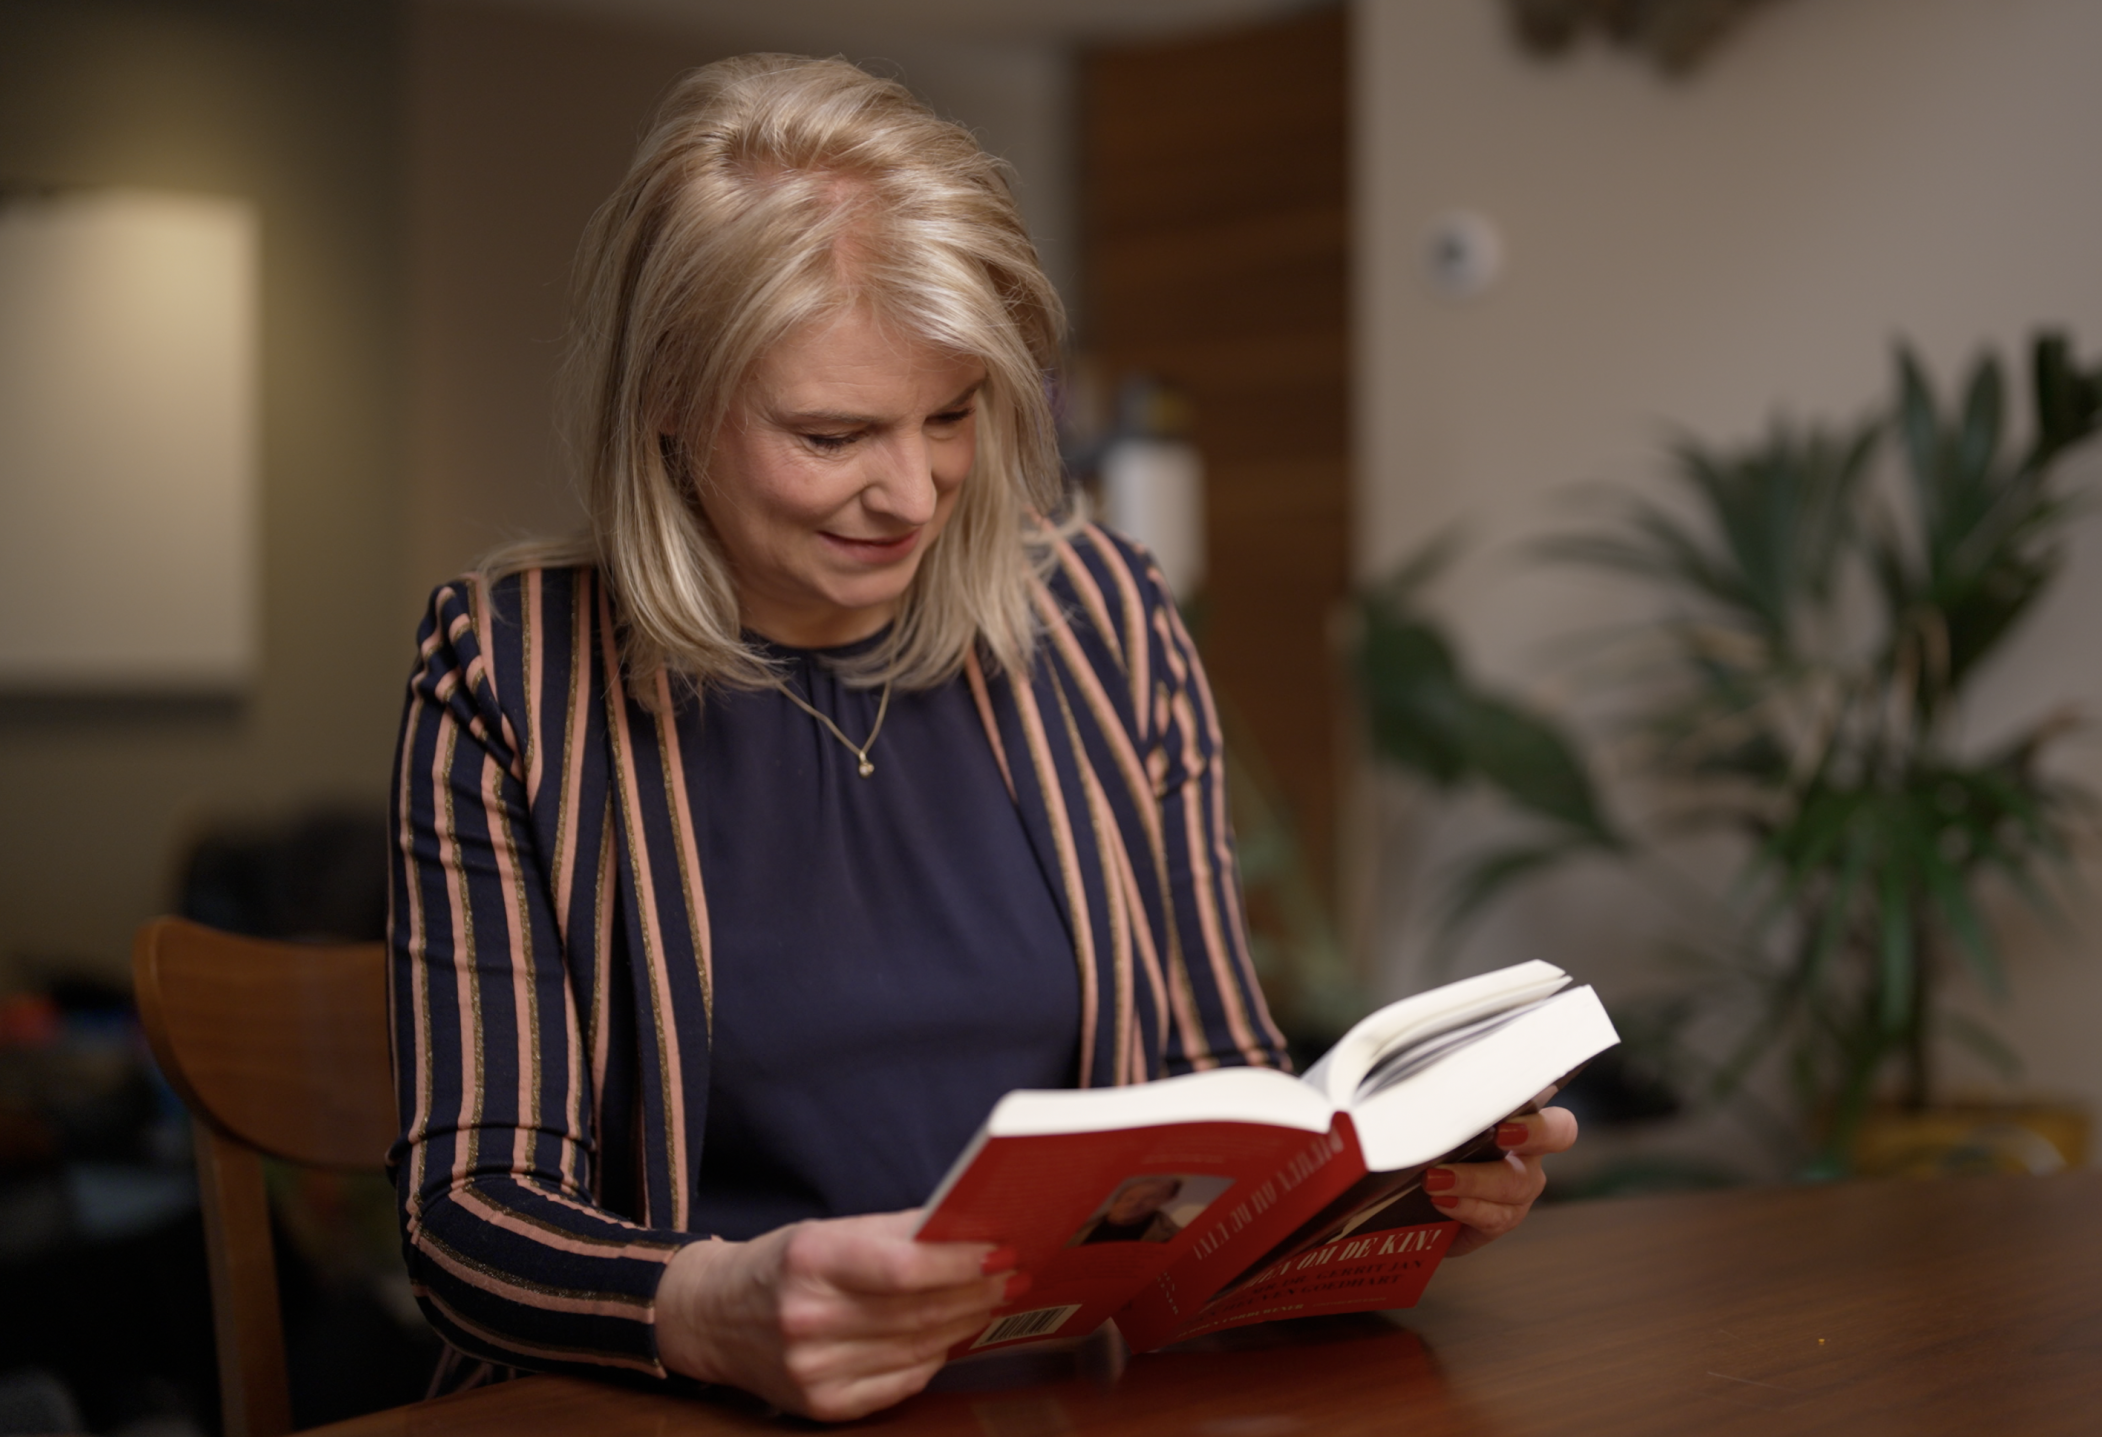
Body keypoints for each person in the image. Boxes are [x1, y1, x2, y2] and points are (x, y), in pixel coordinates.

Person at [386, 53, 1577, 1423]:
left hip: (1068, 1401)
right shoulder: (514, 671)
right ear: (664, 397)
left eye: (951, 415)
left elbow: (1220, 1086)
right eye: (833, 434)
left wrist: (1384, 1196)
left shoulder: (1103, 620)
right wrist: (710, 1306)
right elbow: (467, 1213)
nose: (912, 492)